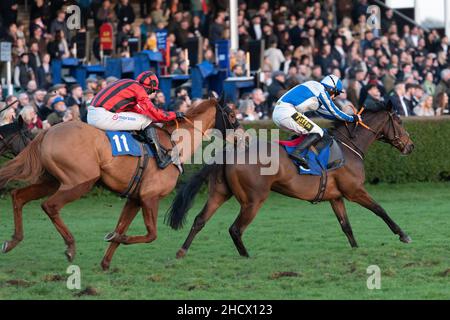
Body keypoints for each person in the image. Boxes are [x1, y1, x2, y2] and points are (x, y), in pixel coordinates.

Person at [87, 71, 185, 168]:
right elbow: (152, 112)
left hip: (94, 113)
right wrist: (174, 115)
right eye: (152, 90)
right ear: (149, 87)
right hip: (102, 115)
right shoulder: (138, 89)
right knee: (145, 121)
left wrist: (166, 117)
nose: (151, 93)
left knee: (143, 119)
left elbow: (141, 112)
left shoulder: (129, 84)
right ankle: (161, 158)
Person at [272, 74, 359, 167]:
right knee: (318, 132)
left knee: (311, 133)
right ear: (331, 89)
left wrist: (344, 120)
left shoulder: (317, 92)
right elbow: (334, 111)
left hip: (282, 113)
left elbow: (327, 114)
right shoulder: (320, 89)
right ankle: (297, 153)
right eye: (336, 93)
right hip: (286, 112)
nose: (334, 97)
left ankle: (297, 157)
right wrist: (352, 118)